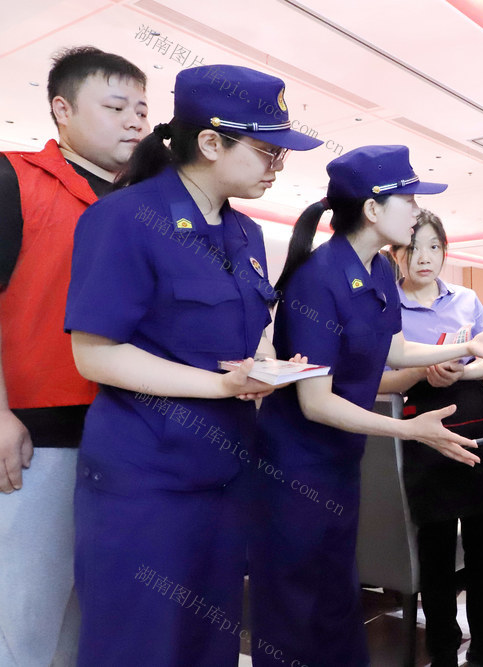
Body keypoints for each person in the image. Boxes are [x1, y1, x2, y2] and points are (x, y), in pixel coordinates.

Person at [63, 64, 322, 665]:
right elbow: (94, 354)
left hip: (227, 475)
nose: (277, 165)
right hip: (146, 481)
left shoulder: (247, 235)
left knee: (210, 643)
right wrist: (221, 384)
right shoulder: (124, 219)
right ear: (210, 143)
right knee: (140, 644)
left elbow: (235, 341)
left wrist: (266, 369)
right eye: (266, 150)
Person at [249, 145, 483, 667]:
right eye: (410, 200)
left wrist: (467, 346)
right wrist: (411, 429)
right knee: (294, 599)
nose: (417, 212)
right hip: (298, 463)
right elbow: (315, 402)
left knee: (336, 593)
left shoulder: (376, 269)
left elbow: (395, 348)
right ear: (373, 210)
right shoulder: (319, 278)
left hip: (340, 459)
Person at [0, 46, 147, 667]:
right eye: (116, 107)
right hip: (37, 433)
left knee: (95, 623)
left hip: (128, 435)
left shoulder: (147, 203)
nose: (135, 122)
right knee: (25, 620)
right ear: (62, 109)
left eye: (142, 109)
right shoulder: (14, 179)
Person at [379, 209, 483, 667]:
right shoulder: (387, 305)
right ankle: (442, 645)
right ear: (396, 253)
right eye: (413, 248)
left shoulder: (463, 298)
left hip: (478, 421)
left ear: (445, 251)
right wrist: (424, 372)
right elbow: (376, 378)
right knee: (436, 546)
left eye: (434, 247)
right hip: (422, 427)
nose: (424, 258)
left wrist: (462, 366)